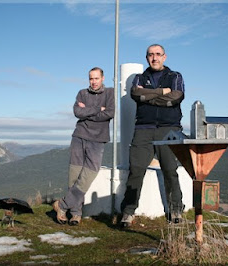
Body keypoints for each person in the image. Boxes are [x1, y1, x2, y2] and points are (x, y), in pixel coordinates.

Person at [120, 44, 185, 227]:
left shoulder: (175, 76)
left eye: (158, 54)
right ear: (146, 57)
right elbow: (135, 93)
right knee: (136, 171)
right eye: (150, 55)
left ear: (165, 57)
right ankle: (128, 212)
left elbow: (176, 97)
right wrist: (160, 93)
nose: (154, 58)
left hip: (169, 129)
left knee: (170, 170)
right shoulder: (140, 77)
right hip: (143, 129)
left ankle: (176, 209)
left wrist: (147, 97)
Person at [53, 67, 114, 226]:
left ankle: (62, 205)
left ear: (103, 78)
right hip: (79, 136)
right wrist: (96, 110)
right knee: (74, 175)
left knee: (90, 173)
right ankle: (75, 213)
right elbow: (77, 112)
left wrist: (87, 111)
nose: (93, 82)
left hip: (98, 139)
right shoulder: (82, 93)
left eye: (96, 78)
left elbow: (109, 113)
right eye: (91, 79)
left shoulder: (109, 93)